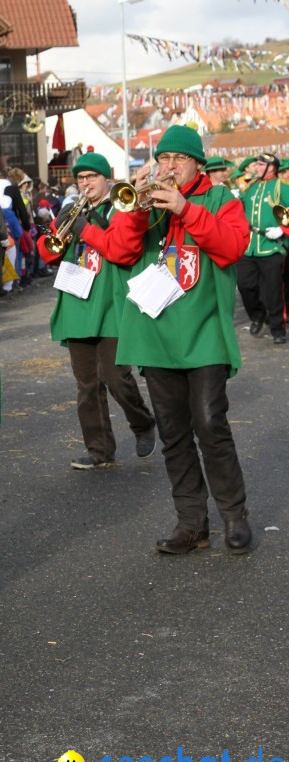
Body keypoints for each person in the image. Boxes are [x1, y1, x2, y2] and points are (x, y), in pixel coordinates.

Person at [113, 126, 252, 555]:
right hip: (156, 332)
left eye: (178, 158)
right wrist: (135, 212)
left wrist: (186, 209)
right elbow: (119, 252)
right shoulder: (147, 203)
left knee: (210, 423)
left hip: (204, 330)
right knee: (173, 432)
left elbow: (232, 247)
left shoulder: (221, 199)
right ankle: (192, 523)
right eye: (163, 158)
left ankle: (234, 515)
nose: (168, 166)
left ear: (196, 162)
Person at [37, 152, 156, 470]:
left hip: (109, 302)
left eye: (92, 177)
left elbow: (121, 249)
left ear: (106, 179)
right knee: (87, 384)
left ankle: (143, 423)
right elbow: (45, 254)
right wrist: (58, 229)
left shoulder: (120, 206)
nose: (86, 183)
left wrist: (86, 228)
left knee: (117, 377)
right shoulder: (75, 209)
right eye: (81, 178)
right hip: (77, 302)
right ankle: (99, 449)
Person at [236, 152, 289, 344]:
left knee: (274, 291)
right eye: (256, 164)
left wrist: (282, 229)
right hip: (250, 246)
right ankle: (258, 315)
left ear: (271, 167)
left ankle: (277, 328)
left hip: (272, 246)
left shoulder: (281, 187)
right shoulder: (251, 188)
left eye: (259, 165)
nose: (255, 168)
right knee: (244, 285)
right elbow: (239, 208)